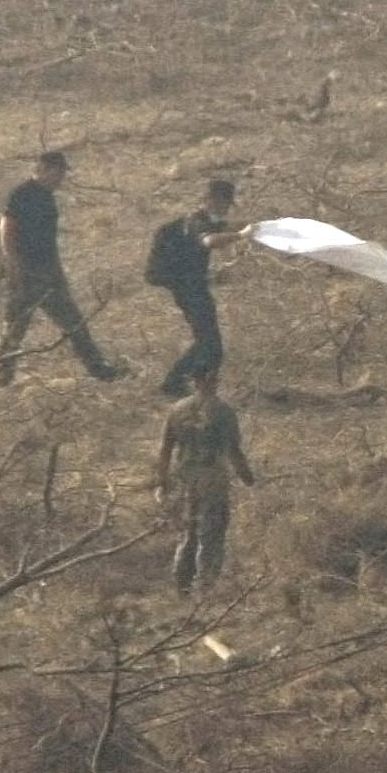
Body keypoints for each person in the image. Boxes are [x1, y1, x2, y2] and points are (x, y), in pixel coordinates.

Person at [0, 151, 122, 385]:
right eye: (58, 172)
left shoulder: (47, 197)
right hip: (25, 272)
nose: (61, 178)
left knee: (73, 321)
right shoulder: (22, 194)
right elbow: (6, 228)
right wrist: (12, 263)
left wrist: (57, 272)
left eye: (62, 172)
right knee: (15, 327)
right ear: (43, 168)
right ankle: (3, 375)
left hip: (49, 272)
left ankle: (98, 368)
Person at [154, 365, 257, 596]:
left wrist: (162, 482)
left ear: (194, 381)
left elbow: (164, 450)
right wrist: (248, 479)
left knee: (187, 534)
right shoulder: (222, 411)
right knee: (211, 534)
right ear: (212, 379)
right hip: (212, 480)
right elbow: (233, 451)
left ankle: (182, 587)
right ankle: (206, 588)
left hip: (183, 480)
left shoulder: (177, 409)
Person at [145, 178, 252, 397]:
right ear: (211, 200)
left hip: (192, 287)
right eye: (223, 203)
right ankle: (176, 384)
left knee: (209, 344)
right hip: (189, 289)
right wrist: (241, 236)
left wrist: (255, 228)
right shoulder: (196, 222)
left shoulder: (201, 220)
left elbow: (227, 227)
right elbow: (209, 241)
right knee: (210, 344)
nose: (225, 209)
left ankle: (194, 385)